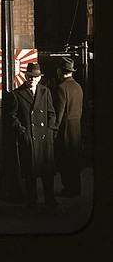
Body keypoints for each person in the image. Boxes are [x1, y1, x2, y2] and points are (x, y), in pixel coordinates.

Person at [10, 62, 58, 208]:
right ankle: (32, 200)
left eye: (35, 77)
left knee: (47, 173)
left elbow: (51, 113)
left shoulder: (45, 92)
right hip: (29, 137)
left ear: (39, 78)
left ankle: (50, 199)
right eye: (30, 77)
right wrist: (22, 131)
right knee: (29, 172)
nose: (33, 79)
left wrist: (50, 129)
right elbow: (12, 116)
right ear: (26, 77)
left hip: (44, 138)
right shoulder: (17, 94)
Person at [53, 56, 84, 197]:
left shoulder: (61, 88)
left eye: (58, 69)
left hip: (65, 129)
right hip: (76, 128)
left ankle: (68, 189)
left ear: (61, 70)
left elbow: (59, 112)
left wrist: (55, 129)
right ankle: (76, 187)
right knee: (74, 159)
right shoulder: (78, 87)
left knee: (65, 160)